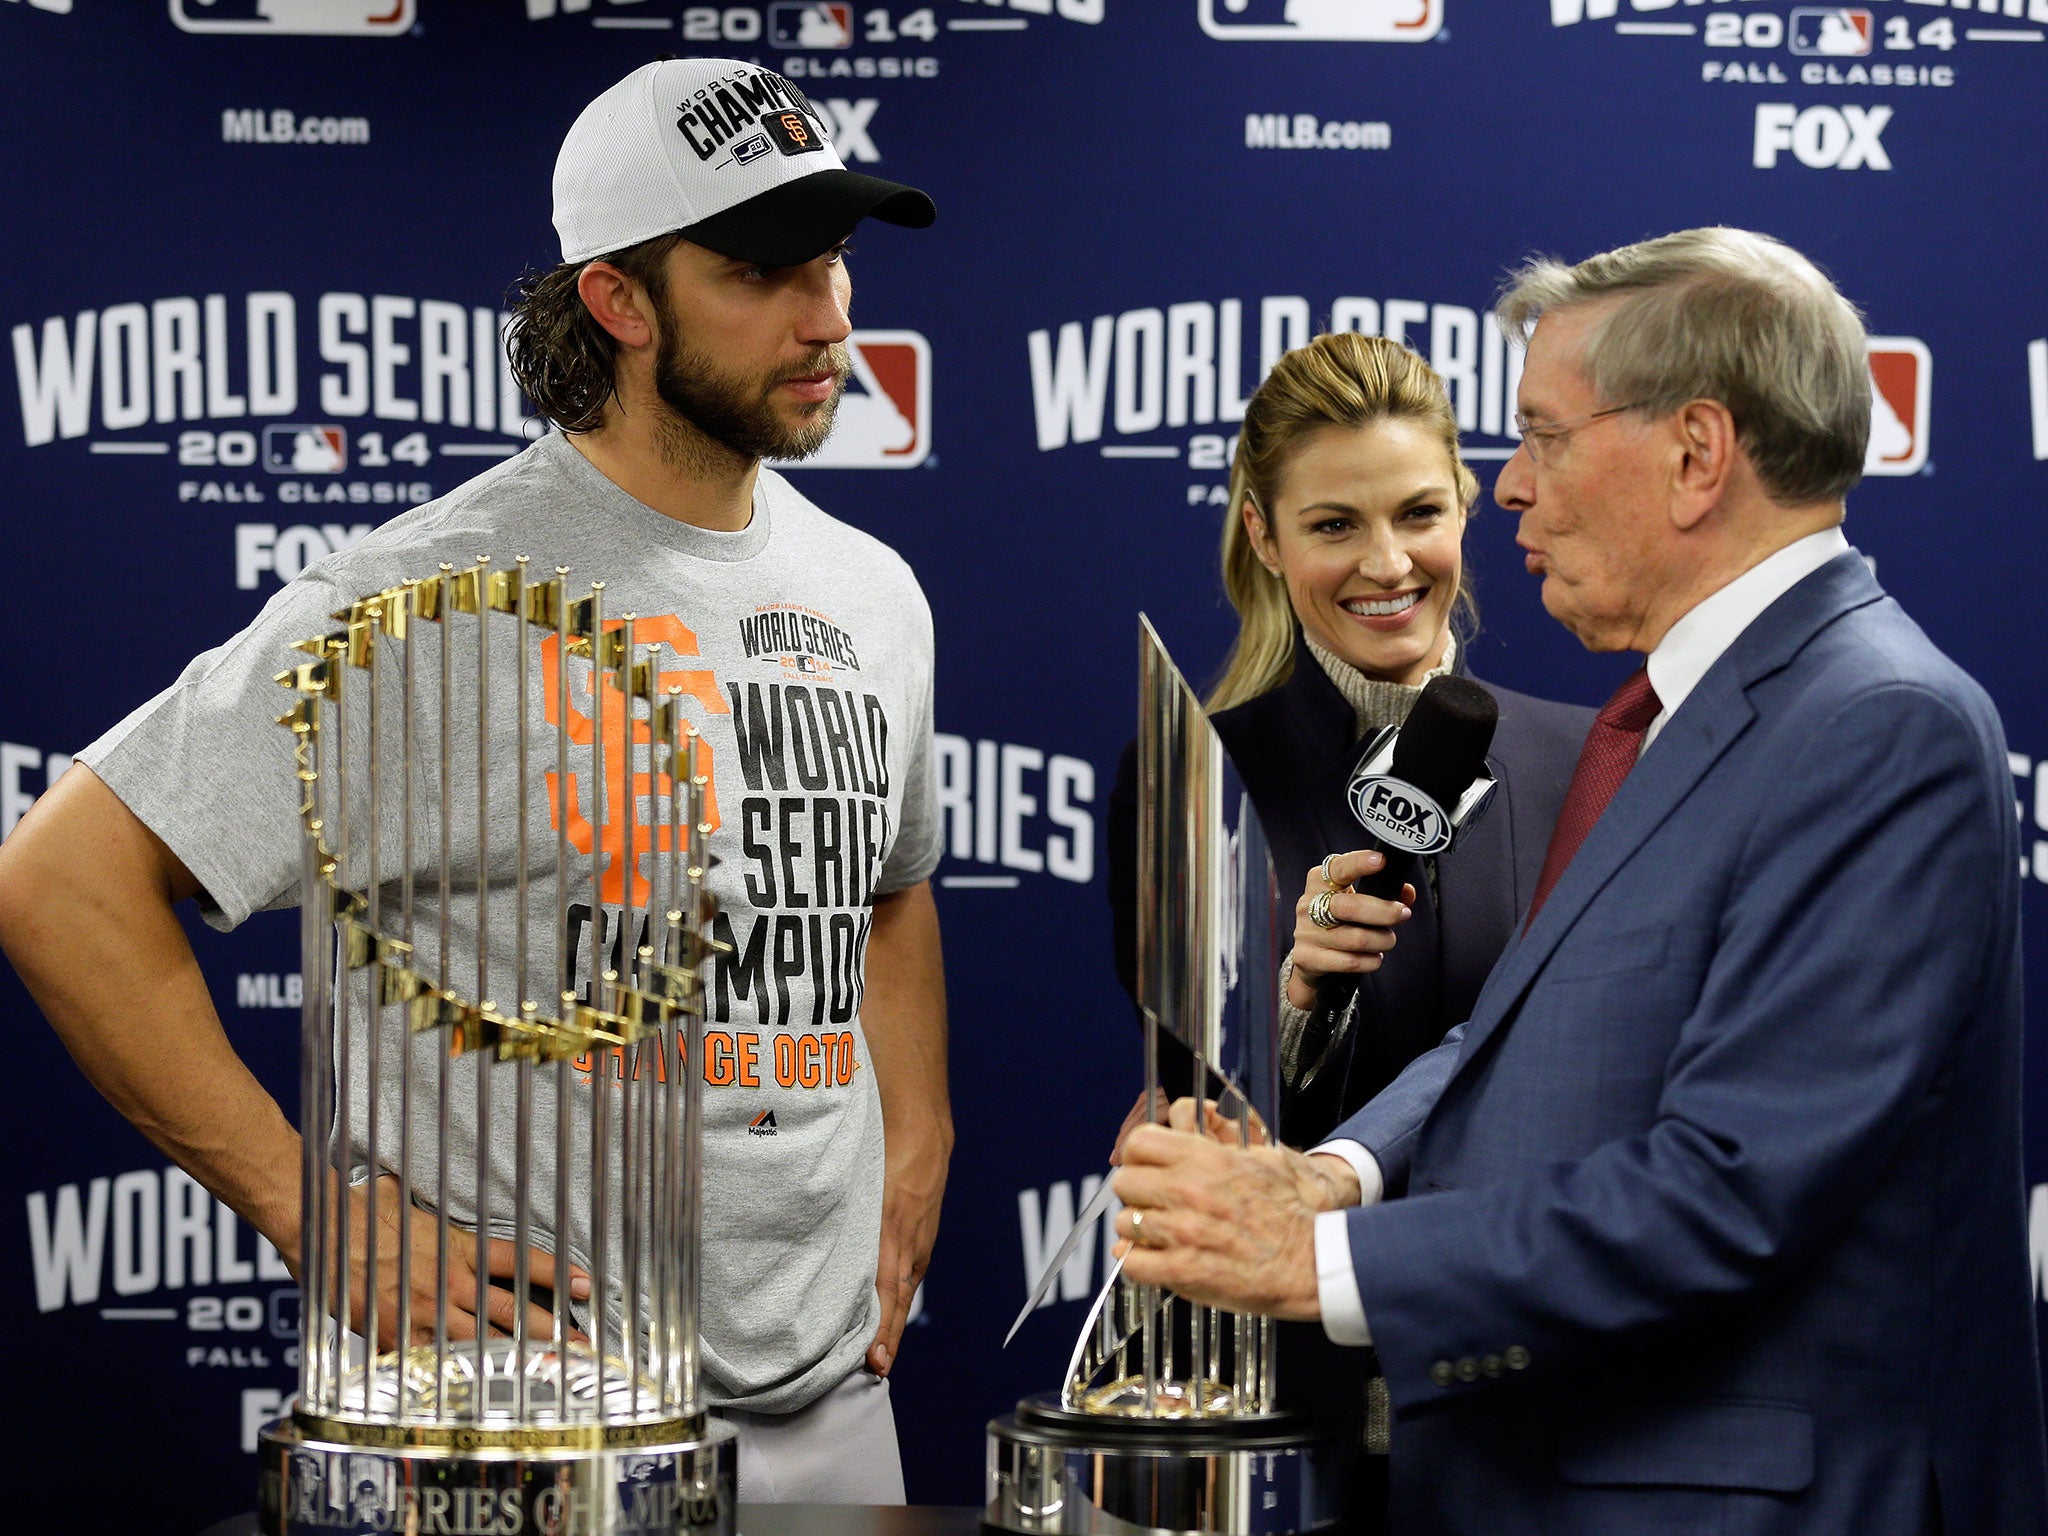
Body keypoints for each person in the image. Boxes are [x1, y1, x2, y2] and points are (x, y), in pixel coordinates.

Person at [0, 58, 949, 1504]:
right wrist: (312, 1206)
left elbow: (887, 889)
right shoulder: (425, 594)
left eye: (833, 256)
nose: (828, 314)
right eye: (763, 269)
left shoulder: (871, 591)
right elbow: (60, 881)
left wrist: (919, 1133)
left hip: (827, 1396)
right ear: (620, 303)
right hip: (521, 1413)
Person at [1107, 228, 2048, 1534]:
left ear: (1695, 454)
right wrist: (1338, 1173)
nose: (1506, 490)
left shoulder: (1875, 722)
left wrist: (1316, 1256)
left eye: (1543, 436)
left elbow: (1730, 1188)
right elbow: (1515, 1042)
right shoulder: (1687, 712)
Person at [1103, 332, 1590, 1516]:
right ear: (1263, 537)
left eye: (1418, 511)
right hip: (1280, 1410)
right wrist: (1290, 1006)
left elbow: (1589, 1092)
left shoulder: (1591, 761)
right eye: (1331, 526)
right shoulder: (1189, 775)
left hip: (1530, 1400)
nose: (1386, 563)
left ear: (1468, 506)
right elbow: (1195, 1126)